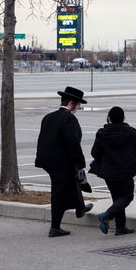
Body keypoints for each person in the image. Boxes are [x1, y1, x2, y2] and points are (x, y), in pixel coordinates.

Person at [35, 85, 93, 236]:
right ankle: (55, 227)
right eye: (78, 105)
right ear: (72, 103)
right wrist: (81, 164)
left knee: (70, 182)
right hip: (61, 161)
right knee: (59, 192)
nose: (78, 108)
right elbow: (73, 143)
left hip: (47, 160)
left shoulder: (49, 117)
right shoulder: (69, 119)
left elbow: (42, 140)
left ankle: (80, 208)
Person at [89, 106, 136, 236]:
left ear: (109, 118)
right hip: (125, 171)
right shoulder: (129, 132)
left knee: (117, 198)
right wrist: (130, 130)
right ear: (123, 118)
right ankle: (106, 216)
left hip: (109, 173)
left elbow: (95, 153)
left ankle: (120, 227)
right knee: (127, 197)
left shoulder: (102, 133)